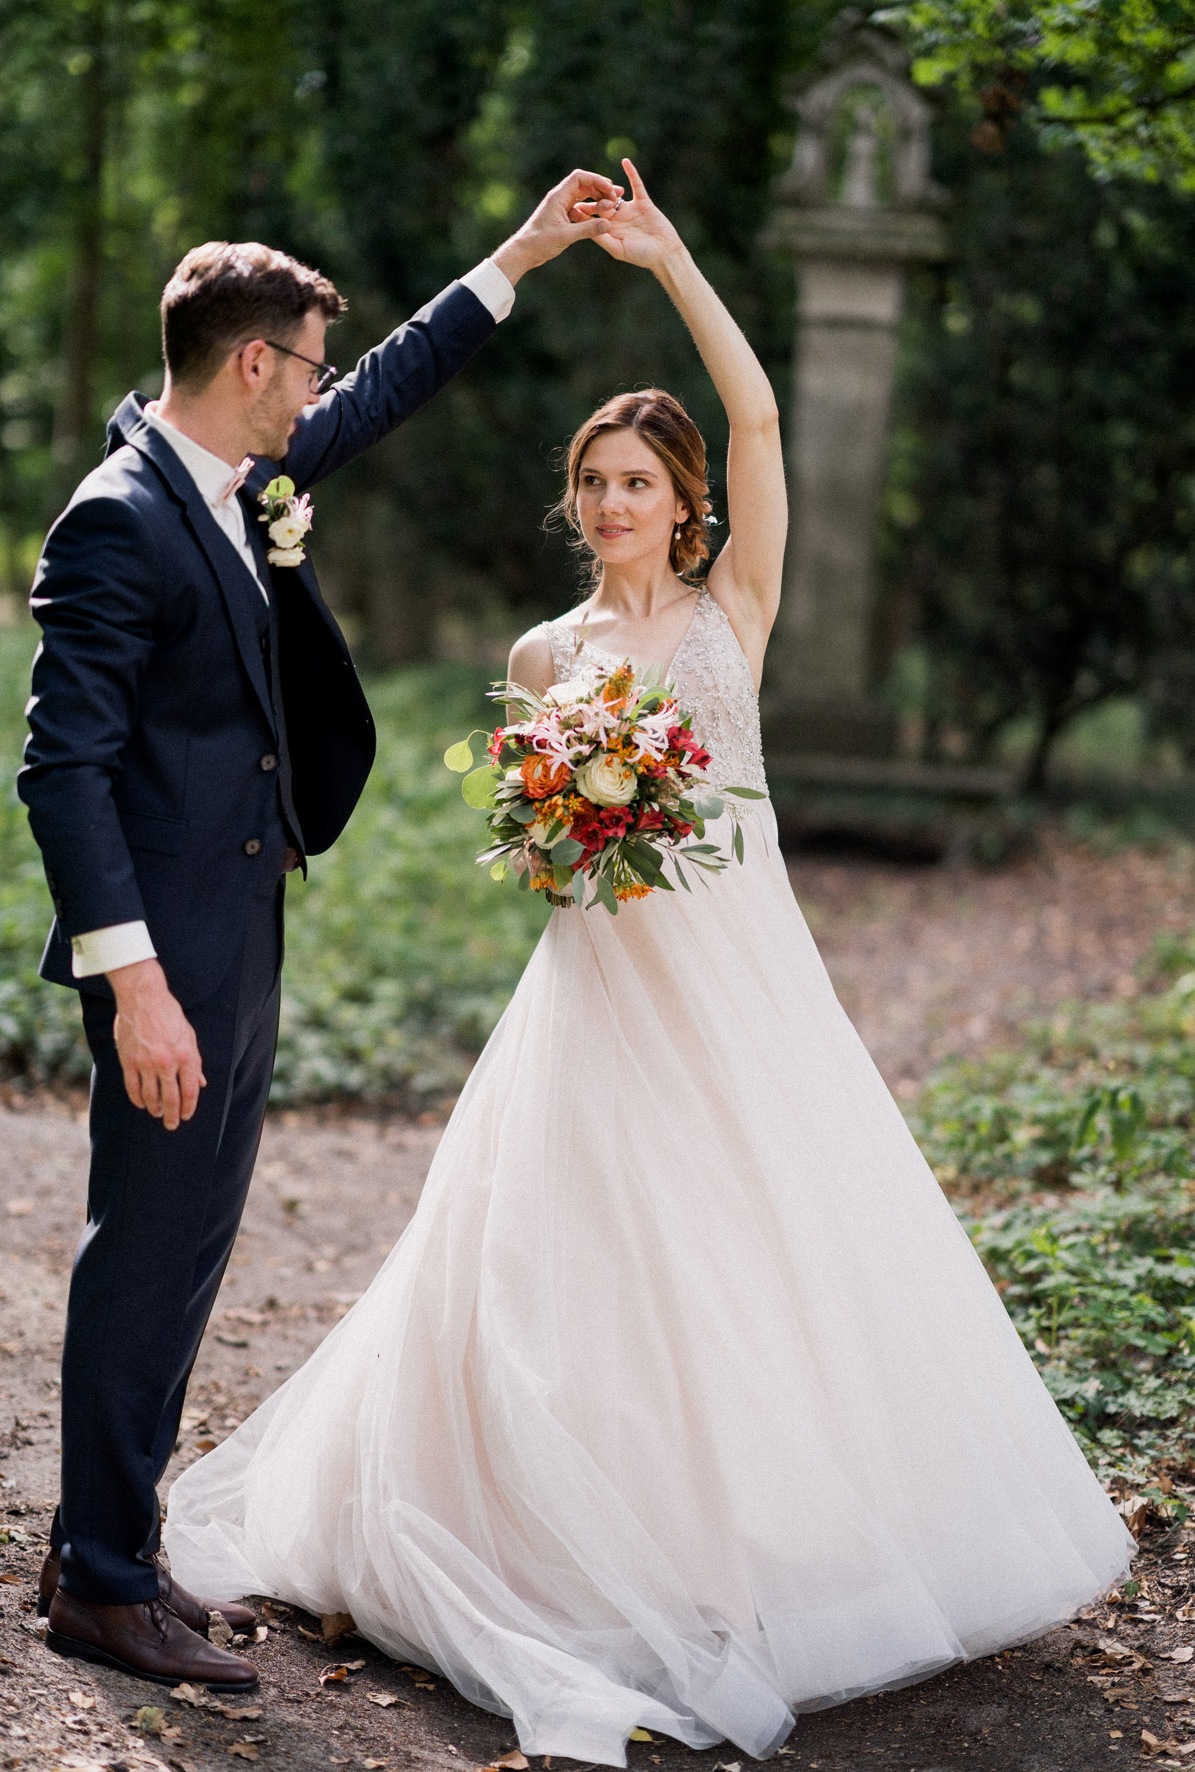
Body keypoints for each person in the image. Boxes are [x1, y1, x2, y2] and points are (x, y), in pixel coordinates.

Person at [165, 163, 1133, 1754]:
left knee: (760, 1253)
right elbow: (539, 849)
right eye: (597, 481)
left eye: (640, 482)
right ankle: (548, 1539)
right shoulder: (545, 657)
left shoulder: (727, 616)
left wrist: (674, 258)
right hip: (599, 992)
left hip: (742, 985)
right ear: (577, 500)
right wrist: (565, 836)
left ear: (687, 504)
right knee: (567, 1264)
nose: (618, 503)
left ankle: (755, 1543)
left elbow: (756, 411)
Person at [18, 166, 624, 1693]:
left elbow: (389, 383)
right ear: (246, 365)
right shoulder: (117, 523)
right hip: (167, 950)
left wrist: (521, 256)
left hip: (238, 916)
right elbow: (60, 767)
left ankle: (115, 1543)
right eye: (300, 367)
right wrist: (135, 983)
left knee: (191, 1245)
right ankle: (97, 1582)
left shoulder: (231, 481)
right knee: (144, 1250)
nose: (315, 396)